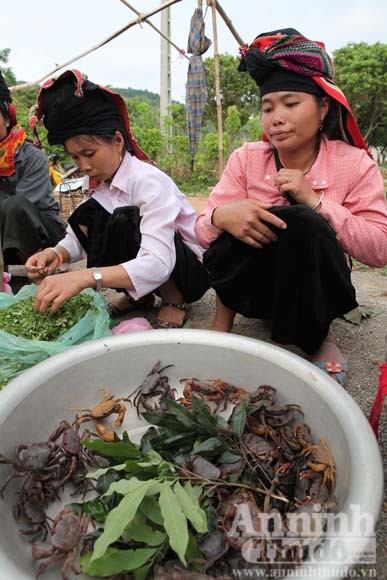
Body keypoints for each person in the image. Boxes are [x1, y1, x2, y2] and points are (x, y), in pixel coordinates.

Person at [195, 28, 387, 385]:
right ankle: (222, 325)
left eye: (290, 103)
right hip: (254, 291)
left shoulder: (356, 165)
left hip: (312, 291)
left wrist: (316, 201)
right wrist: (224, 215)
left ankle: (317, 336)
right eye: (268, 107)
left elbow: (379, 250)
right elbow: (202, 230)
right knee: (241, 219)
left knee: (302, 220)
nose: (276, 117)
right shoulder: (246, 159)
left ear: (323, 107)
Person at [25, 69, 209, 327]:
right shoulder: (96, 184)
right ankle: (140, 297)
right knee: (89, 213)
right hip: (155, 267)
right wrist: (55, 254)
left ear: (118, 140)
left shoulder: (147, 181)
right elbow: (81, 237)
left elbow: (158, 262)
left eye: (90, 153)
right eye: (76, 157)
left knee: (127, 217)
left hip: (186, 273)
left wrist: (86, 277)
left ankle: (173, 299)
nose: (85, 165)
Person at [0, 71, 66, 269]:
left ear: (6, 117)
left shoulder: (31, 156)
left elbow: (19, 210)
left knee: (14, 207)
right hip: (7, 237)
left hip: (45, 236)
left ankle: (36, 273)